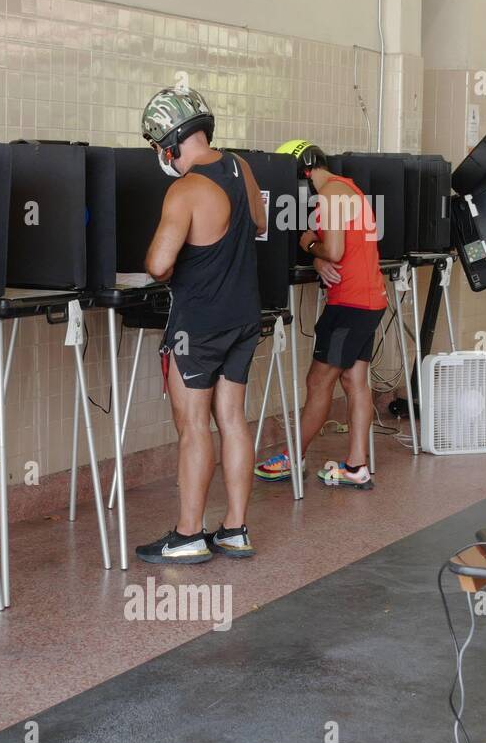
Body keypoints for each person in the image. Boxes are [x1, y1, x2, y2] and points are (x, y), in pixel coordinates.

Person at [136, 87, 266, 565]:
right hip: (244, 317)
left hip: (198, 324)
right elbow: (258, 220)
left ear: (171, 144)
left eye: (157, 147)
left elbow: (158, 265)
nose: (159, 157)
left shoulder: (185, 189)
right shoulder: (240, 168)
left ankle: (189, 534)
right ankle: (234, 529)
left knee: (193, 428)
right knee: (232, 420)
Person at [254, 141, 386, 490]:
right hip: (369, 299)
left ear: (303, 172)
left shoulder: (329, 194)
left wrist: (308, 244)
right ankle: (357, 466)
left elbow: (336, 249)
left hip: (350, 304)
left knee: (318, 381)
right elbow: (345, 247)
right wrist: (318, 256)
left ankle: (290, 458)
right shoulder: (349, 189)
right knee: (354, 381)